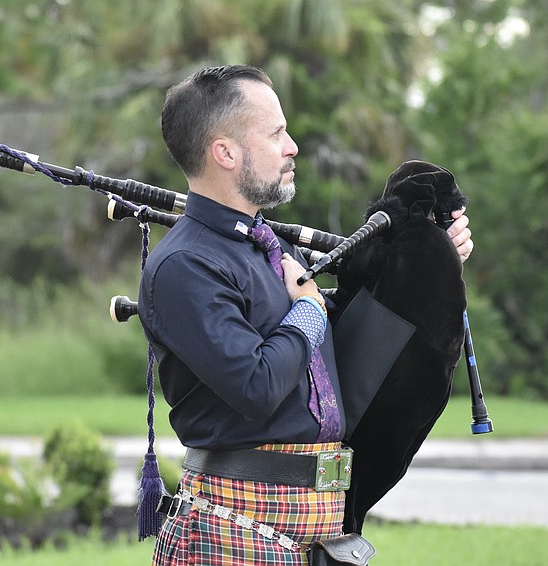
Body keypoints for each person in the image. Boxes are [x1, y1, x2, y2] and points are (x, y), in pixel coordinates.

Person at [137, 64, 473, 565]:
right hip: (234, 526)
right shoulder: (184, 265)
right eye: (276, 134)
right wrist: (310, 311)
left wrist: (429, 264)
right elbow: (256, 385)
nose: (292, 146)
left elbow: (332, 349)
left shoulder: (266, 247)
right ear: (225, 153)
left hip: (316, 521)